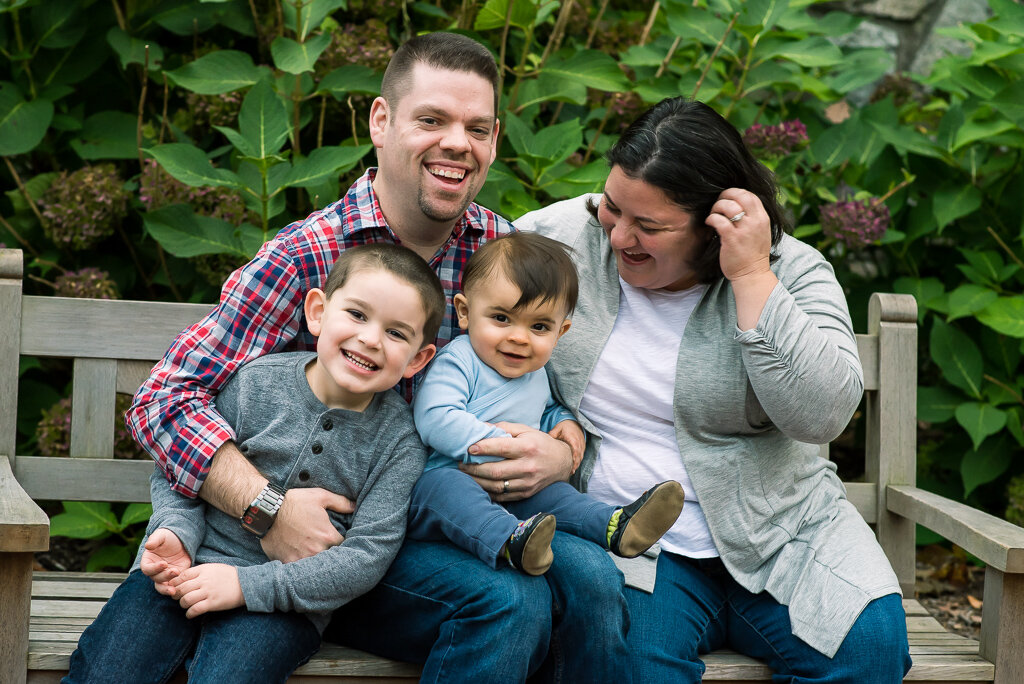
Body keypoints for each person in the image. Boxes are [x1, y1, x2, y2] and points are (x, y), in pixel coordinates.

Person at [128, 32, 630, 683]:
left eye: (477, 129)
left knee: (583, 582)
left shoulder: (500, 252)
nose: (458, 143)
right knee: (510, 601)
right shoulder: (308, 255)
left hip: (462, 521)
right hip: (327, 542)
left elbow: (556, 380)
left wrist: (562, 451)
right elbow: (165, 400)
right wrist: (267, 506)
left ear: (495, 140)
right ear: (381, 122)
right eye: (432, 120)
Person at [475, 97, 911, 682]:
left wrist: (752, 277)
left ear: (714, 225)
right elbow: (471, 344)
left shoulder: (791, 269)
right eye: (612, 207)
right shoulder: (556, 242)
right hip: (633, 546)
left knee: (870, 648)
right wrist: (558, 442)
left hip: (786, 537)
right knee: (627, 664)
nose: (619, 235)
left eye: (648, 226)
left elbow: (823, 415)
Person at [66, 245, 443, 683]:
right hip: (183, 569)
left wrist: (247, 587)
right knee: (109, 671)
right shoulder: (256, 383)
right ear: (318, 312)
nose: (371, 339)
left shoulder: (399, 444)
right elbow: (181, 466)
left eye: (396, 333)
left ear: (418, 359)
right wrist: (175, 529)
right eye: (357, 315)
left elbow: (366, 557)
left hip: (284, 603)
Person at [408, 231, 685, 575]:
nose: (519, 337)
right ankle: (510, 541)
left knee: (557, 496)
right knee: (449, 490)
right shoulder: (460, 359)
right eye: (501, 318)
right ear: (465, 312)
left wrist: (565, 421)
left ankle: (614, 526)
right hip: (447, 480)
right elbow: (435, 418)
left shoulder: (535, 372)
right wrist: (510, 448)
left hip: (514, 490)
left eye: (539, 326)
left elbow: (546, 408)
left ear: (560, 332)